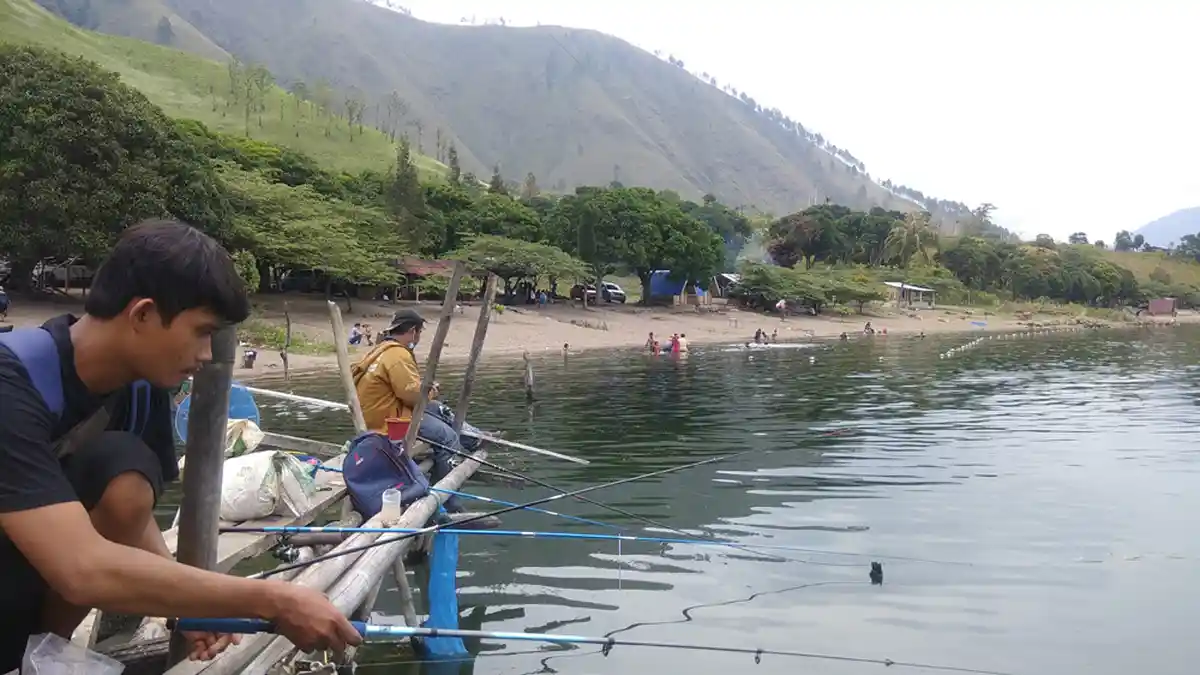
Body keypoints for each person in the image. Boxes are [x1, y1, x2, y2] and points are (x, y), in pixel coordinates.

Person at [0, 220, 360, 673]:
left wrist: (186, 604)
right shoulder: (12, 386)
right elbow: (80, 569)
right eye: (202, 331)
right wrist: (271, 600)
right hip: (40, 570)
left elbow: (128, 507)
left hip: (29, 591)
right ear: (143, 315)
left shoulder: (140, 386)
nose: (207, 354)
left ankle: (40, 653)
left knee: (122, 462)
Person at [353, 308, 479, 513]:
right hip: (390, 421)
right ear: (412, 331)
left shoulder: (379, 350)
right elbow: (412, 395)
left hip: (378, 413)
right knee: (448, 439)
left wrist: (428, 394)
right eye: (419, 333)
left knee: (439, 410)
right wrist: (431, 390)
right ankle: (446, 501)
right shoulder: (398, 354)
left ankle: (472, 437)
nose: (418, 338)